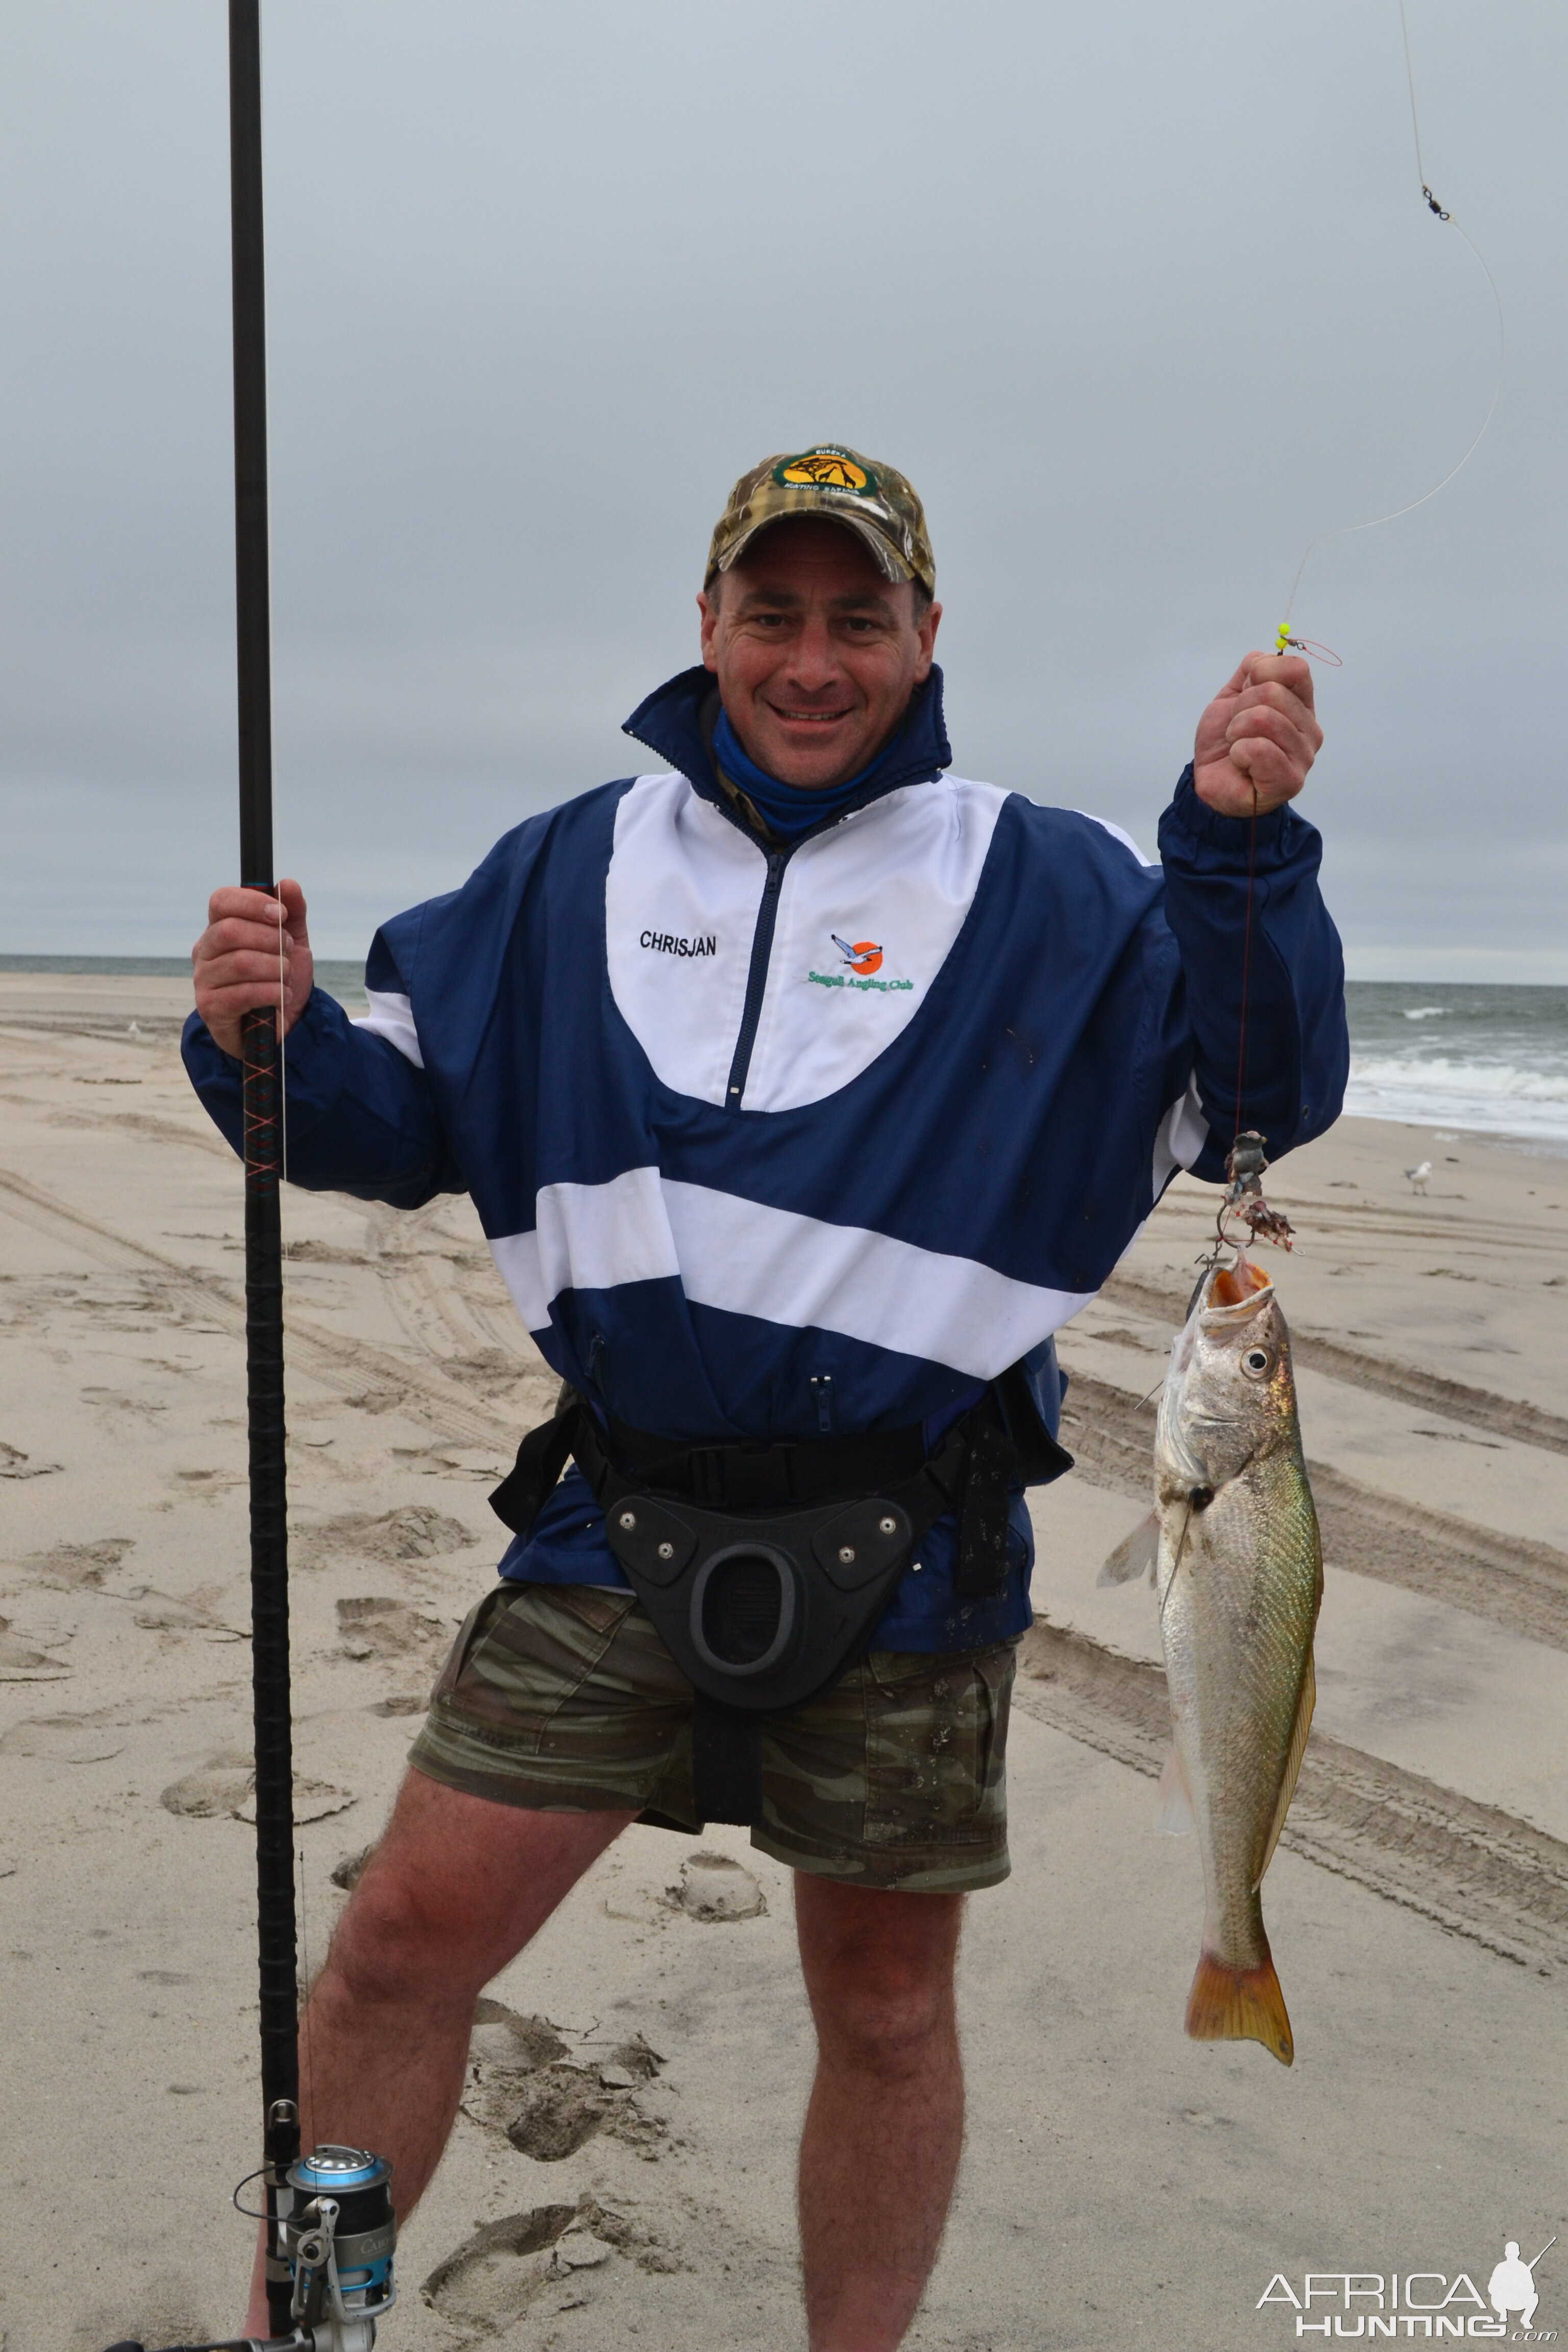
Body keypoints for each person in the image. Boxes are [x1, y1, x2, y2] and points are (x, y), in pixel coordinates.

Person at [186, 444, 1347, 2349]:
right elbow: (385, 1116)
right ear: (707, 628)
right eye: (774, 614)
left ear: (926, 636)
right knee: (394, 1954)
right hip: (605, 1522)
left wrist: (1237, 846)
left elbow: (1262, 1091)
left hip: (919, 1542)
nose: (814, 661)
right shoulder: (573, 864)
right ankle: (307, 2327)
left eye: (857, 618)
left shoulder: (1046, 879)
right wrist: (272, 1034)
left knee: (887, 2008)